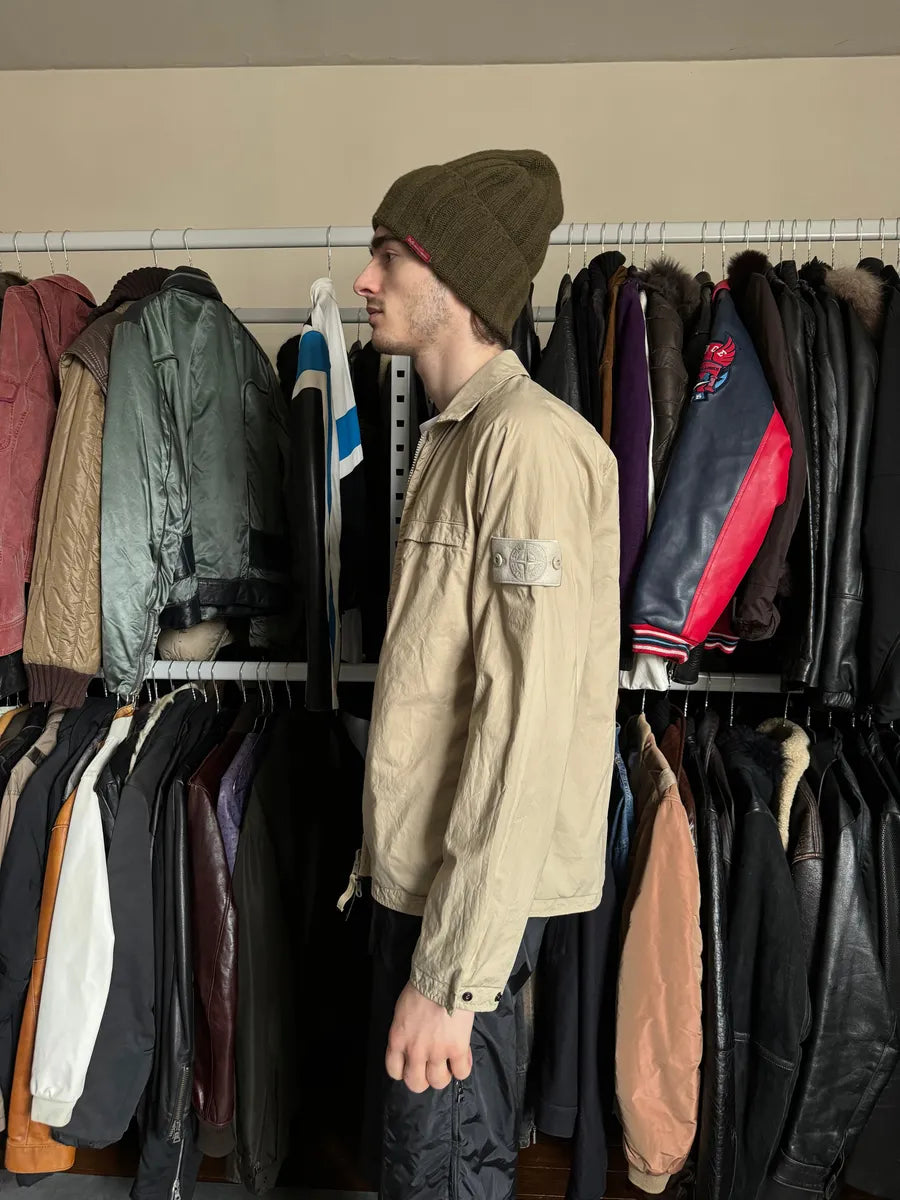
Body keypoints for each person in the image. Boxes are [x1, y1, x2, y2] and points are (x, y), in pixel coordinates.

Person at [344, 149, 620, 1199]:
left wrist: (453, 977)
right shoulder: (459, 441)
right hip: (425, 893)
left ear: (452, 275)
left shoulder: (526, 448)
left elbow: (525, 728)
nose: (364, 279)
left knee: (444, 1176)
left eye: (387, 255)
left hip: (462, 924)